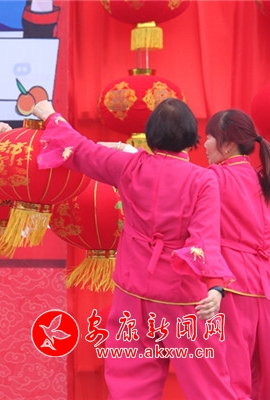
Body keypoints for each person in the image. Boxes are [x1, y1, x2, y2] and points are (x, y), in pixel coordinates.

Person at [20, 98, 238, 399]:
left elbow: (80, 149)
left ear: (151, 134)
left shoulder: (130, 166)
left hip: (134, 291)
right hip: (181, 296)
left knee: (130, 386)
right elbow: (205, 238)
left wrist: (50, 115)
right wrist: (215, 287)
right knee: (209, 386)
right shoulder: (203, 180)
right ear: (191, 137)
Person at [204, 109, 270, 399]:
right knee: (267, 379)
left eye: (209, 137)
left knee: (231, 378)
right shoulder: (265, 180)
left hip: (232, 287)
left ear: (228, 143)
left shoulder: (214, 177)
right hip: (267, 287)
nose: (204, 144)